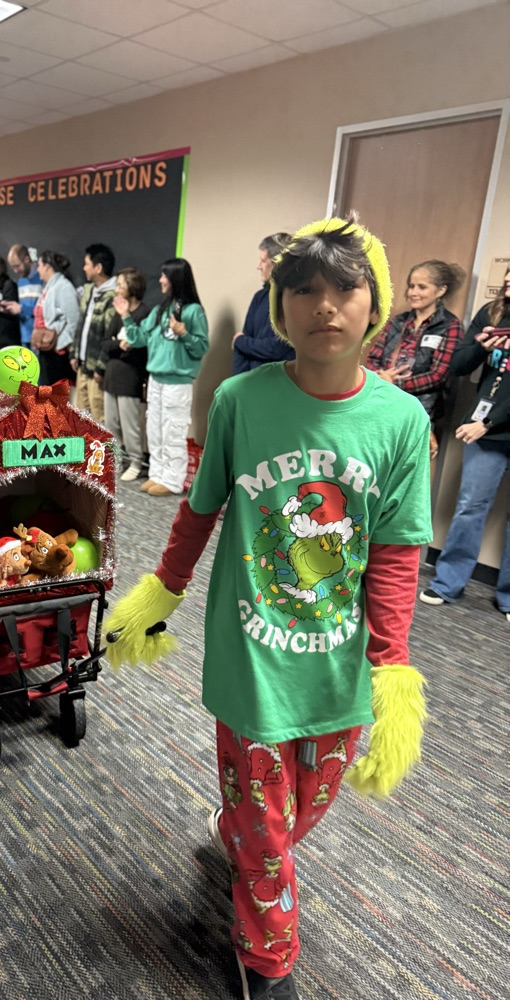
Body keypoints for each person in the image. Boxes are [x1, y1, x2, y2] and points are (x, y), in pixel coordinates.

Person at [103, 218, 432, 1000]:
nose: (325, 306)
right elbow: (199, 509)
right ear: (279, 306)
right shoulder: (242, 402)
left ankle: (232, 836)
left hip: (338, 661)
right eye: (304, 290)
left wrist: (391, 667)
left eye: (345, 288)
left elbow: (394, 556)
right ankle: (267, 958)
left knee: (298, 811)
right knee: (268, 831)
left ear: (374, 302)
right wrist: (162, 593)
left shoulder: (402, 422)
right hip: (253, 654)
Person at [419, 267, 510, 621]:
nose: (507, 283)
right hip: (485, 428)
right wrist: (479, 346)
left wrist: (487, 423)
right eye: (507, 276)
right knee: (471, 506)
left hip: (488, 425)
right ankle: (447, 584)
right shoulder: (492, 312)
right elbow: (457, 365)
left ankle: (507, 598)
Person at [114, 257, 208, 496]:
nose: (161, 280)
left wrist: (184, 333)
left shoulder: (193, 311)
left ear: (176, 278)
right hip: (155, 380)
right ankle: (158, 474)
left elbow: (200, 348)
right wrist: (125, 315)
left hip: (178, 383)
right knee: (154, 430)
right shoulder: (159, 311)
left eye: (165, 275)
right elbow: (138, 339)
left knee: (172, 431)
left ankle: (173, 481)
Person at [366, 259, 465, 465]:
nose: (413, 292)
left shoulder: (450, 326)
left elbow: (439, 375)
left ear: (440, 291)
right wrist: (381, 377)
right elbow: (373, 358)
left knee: (404, 469)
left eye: (422, 287)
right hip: (382, 402)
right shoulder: (398, 321)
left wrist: (396, 383)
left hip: (420, 410)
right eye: (411, 286)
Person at [101, 267, 149, 481]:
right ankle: (117, 458)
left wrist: (118, 346)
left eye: (121, 284)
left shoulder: (143, 314)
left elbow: (138, 349)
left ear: (132, 287)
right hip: (111, 376)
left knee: (130, 424)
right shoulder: (118, 314)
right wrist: (118, 346)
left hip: (130, 377)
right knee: (111, 422)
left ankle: (137, 461)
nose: (117, 288)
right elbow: (105, 343)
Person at [232, 233, 295, 375]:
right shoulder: (259, 297)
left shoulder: (295, 300)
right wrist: (236, 384)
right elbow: (242, 348)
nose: (258, 266)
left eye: (263, 261)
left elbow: (277, 348)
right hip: (252, 382)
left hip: (280, 384)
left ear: (277, 263)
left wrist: (240, 341)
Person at [71, 243, 117, 423]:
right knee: (80, 414)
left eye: (87, 264)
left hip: (97, 369)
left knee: (98, 414)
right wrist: (75, 353)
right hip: (82, 364)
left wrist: (100, 367)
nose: (83, 268)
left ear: (98, 268)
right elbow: (80, 323)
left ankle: (100, 451)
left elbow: (108, 335)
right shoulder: (89, 290)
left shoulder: (112, 296)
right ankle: (83, 450)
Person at [32, 251, 79, 386]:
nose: (38, 269)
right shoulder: (49, 287)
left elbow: (74, 321)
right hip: (47, 351)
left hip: (57, 354)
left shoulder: (64, 287)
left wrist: (59, 343)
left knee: (56, 397)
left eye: (40, 265)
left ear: (47, 266)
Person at [4, 244, 43, 348]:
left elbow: (45, 309)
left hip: (39, 337)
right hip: (24, 337)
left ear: (26, 259)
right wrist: (12, 309)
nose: (15, 271)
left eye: (17, 266)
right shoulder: (21, 281)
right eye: (13, 267)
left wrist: (22, 309)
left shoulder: (42, 277)